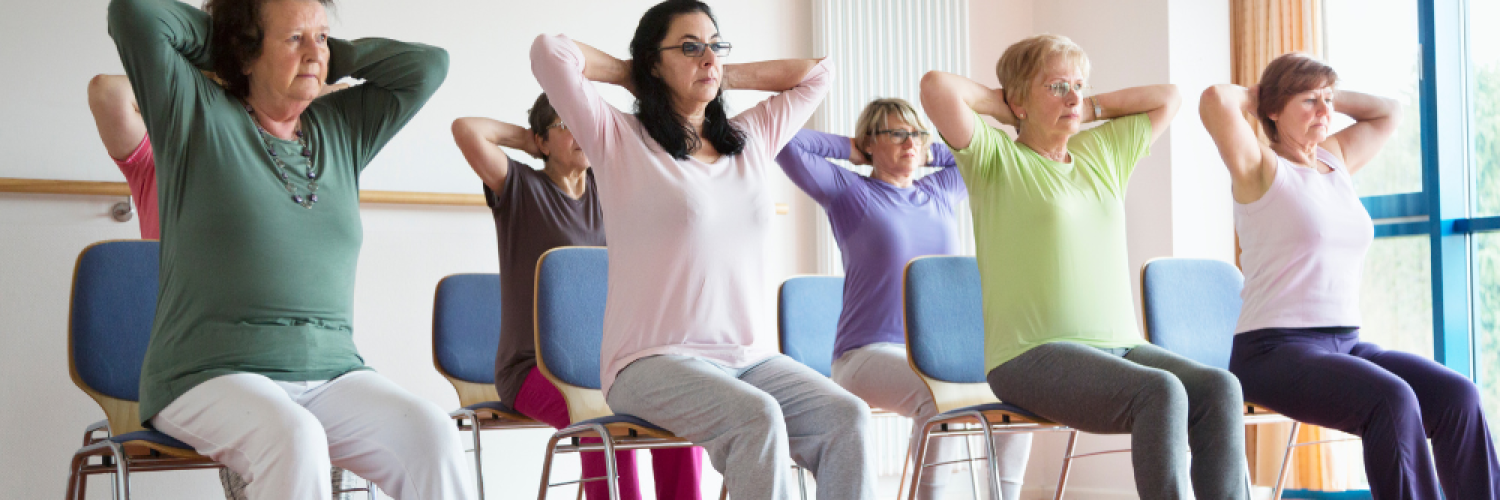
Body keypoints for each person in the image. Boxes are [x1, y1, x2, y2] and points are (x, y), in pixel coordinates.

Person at [107, 0, 469, 498]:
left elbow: (430, 66)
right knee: (294, 438)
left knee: (432, 436)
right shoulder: (193, 113)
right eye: (294, 39)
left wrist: (325, 53)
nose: (314, 53)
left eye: (321, 37)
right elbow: (134, 13)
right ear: (247, 52)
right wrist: (234, 45)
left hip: (333, 372)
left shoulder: (341, 127)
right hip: (207, 372)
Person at [530, 1, 874, 498]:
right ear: (653, 61)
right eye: (689, 47)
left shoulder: (752, 137)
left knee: (848, 416)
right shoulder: (619, 138)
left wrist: (713, 71)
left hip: (750, 357)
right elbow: (550, 52)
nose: (708, 57)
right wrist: (636, 77)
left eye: (715, 45)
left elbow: (819, 73)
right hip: (648, 361)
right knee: (756, 417)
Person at [921, 34, 1250, 499]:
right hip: (1030, 355)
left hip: (1123, 347)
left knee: (1220, 388)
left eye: (1079, 85)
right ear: (1018, 99)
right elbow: (937, 87)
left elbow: (1168, 97)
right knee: (1161, 392)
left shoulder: (1104, 153)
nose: (1073, 97)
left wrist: (1086, 107)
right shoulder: (996, 160)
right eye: (1057, 87)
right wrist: (1002, 107)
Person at [1202, 52, 1500, 499]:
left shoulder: (1335, 159)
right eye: (1308, 101)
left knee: (1459, 397)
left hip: (1346, 343)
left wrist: (1323, 95)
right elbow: (1213, 101)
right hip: (1272, 352)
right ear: (1273, 110)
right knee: (1391, 399)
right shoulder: (1260, 167)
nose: (1324, 111)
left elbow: (1388, 112)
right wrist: (1262, 93)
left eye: (1328, 100)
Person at [87, 73, 357, 500]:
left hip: (286, 353)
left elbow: (344, 100)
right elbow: (109, 92)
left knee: (333, 419)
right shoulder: (160, 160)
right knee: (276, 426)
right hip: (199, 360)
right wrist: (213, 80)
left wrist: (280, 81)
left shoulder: (283, 165)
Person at [774, 98, 1031, 500]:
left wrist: (927, 150)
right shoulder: (851, 194)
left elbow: (982, 149)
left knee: (1020, 389)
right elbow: (785, 142)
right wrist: (851, 148)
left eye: (916, 133)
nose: (909, 142)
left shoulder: (941, 192)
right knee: (937, 396)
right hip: (865, 355)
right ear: (871, 142)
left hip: (942, 354)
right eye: (896, 133)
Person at [452, 93, 704, 500]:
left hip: (609, 366)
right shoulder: (519, 188)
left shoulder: (611, 194)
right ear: (543, 141)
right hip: (531, 369)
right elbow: (467, 130)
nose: (579, 133)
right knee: (601, 419)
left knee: (675, 410)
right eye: (565, 125)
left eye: (583, 123)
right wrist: (531, 139)